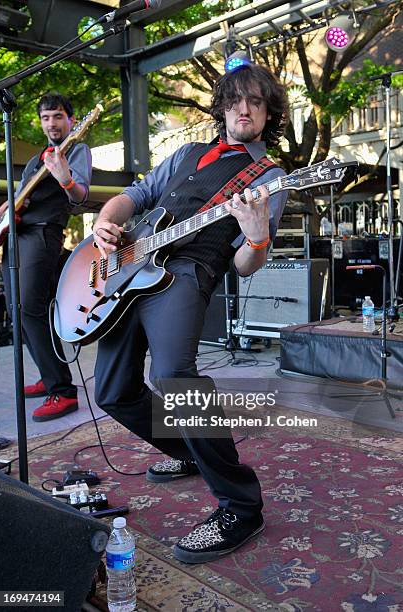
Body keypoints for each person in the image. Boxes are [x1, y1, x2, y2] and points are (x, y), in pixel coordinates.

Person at [93, 63, 289, 563]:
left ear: (269, 114)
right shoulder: (185, 153)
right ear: (222, 105)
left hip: (186, 274)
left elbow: (246, 264)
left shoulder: (270, 177)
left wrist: (258, 234)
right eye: (236, 100)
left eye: (256, 103)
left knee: (175, 376)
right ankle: (189, 451)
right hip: (129, 269)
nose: (244, 110)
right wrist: (104, 224)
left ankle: (241, 506)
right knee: (113, 391)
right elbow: (131, 198)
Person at [0, 93, 92, 422]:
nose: (51, 123)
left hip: (42, 234)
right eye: (46, 118)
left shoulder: (77, 149)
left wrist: (65, 177)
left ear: (72, 120)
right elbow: (23, 196)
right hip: (17, 235)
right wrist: (9, 205)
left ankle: (63, 391)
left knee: (31, 310)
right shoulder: (38, 158)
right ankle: (48, 376)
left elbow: (79, 196)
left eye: (57, 116)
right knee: (17, 312)